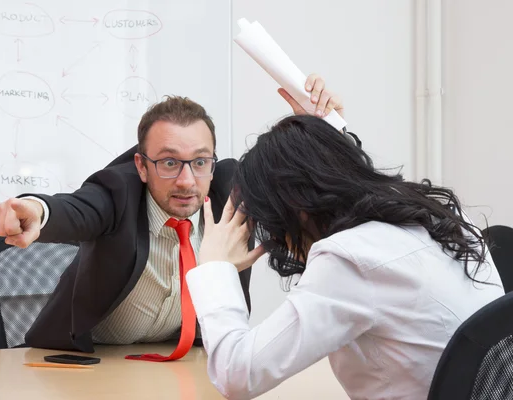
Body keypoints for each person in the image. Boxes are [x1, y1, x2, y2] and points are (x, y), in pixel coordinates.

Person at [0, 74, 352, 355]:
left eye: (199, 162)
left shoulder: (232, 192)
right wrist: (38, 210)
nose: (186, 181)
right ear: (142, 166)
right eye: (168, 163)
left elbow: (313, 188)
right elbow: (78, 208)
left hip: (187, 365)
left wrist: (324, 132)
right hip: (91, 364)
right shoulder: (118, 192)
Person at [186, 114, 505, 398]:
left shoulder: (351, 258)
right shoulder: (435, 214)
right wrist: (321, 136)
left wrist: (214, 267)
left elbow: (236, 374)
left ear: (293, 209)